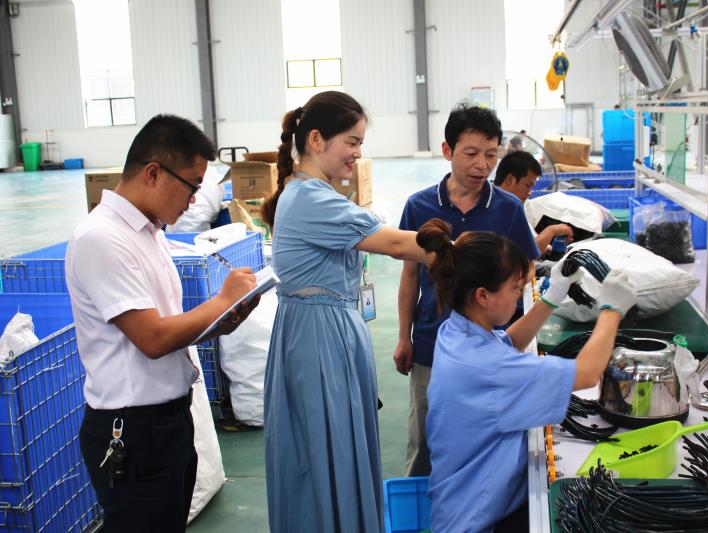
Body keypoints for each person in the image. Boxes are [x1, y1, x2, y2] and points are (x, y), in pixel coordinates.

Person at [66, 114, 259, 532]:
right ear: (153, 172)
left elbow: (166, 325)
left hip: (168, 421)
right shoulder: (102, 238)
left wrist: (220, 322)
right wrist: (222, 300)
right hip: (133, 430)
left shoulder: (148, 232)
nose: (194, 200)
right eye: (192, 186)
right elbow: (151, 338)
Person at [260, 91, 431, 533]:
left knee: (325, 444)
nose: (357, 153)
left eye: (360, 143)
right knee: (324, 444)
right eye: (351, 142)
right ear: (316, 140)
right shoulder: (312, 199)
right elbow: (397, 244)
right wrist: (463, 252)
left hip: (323, 328)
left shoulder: (311, 193)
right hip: (319, 337)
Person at [417, 218, 637, 533]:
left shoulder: (455, 331)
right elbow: (587, 373)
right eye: (515, 289)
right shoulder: (490, 369)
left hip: (462, 502)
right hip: (479, 521)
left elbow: (508, 342)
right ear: (483, 296)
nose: (518, 295)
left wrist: (552, 297)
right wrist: (612, 311)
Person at [394, 104, 540, 477]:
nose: (482, 165)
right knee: (425, 439)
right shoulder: (419, 206)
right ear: (448, 150)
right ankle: (419, 501)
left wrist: (509, 302)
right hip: (430, 344)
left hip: (489, 347)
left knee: (483, 439)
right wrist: (404, 336)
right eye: (471, 153)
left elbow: (527, 267)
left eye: (491, 155)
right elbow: (410, 277)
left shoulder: (508, 208)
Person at [494, 150, 573, 252]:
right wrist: (552, 231)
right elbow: (527, 253)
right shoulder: (497, 210)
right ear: (510, 180)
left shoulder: (512, 207)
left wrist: (549, 247)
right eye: (528, 186)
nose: (530, 193)